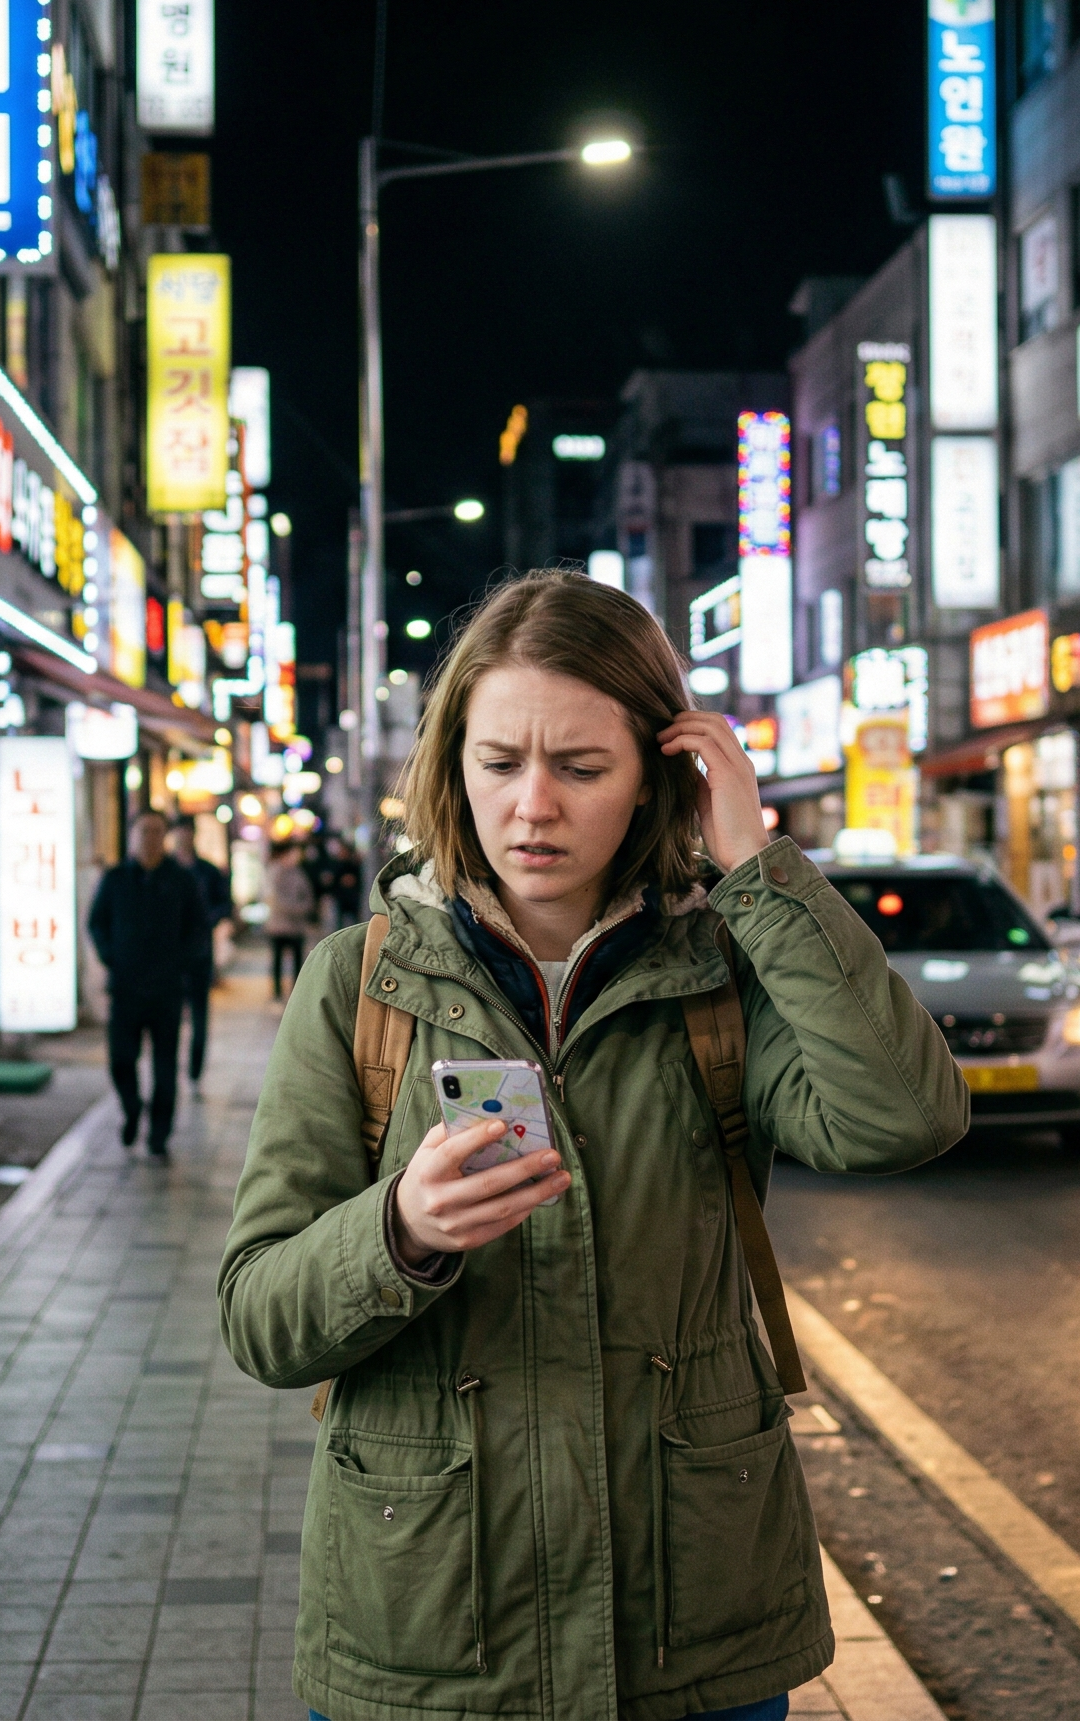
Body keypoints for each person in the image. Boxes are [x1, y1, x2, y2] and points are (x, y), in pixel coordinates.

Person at [219, 570, 969, 1721]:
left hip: (690, 1631)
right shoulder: (357, 982)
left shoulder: (722, 969)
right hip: (429, 1631)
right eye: (499, 762)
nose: (533, 807)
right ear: (452, 766)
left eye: (581, 768)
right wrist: (400, 1232)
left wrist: (759, 870)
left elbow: (905, 1116)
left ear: (657, 776)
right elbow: (260, 1316)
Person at [87, 813, 205, 1158]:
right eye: (144, 831)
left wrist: (180, 963)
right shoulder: (116, 879)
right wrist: (112, 957)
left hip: (167, 989)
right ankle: (131, 1109)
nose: (150, 837)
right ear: (132, 835)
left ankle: (159, 1132)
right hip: (125, 987)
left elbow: (197, 929)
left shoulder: (181, 880)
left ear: (164, 836)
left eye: (157, 831)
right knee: (121, 1059)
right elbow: (96, 923)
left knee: (165, 1064)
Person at [167, 819, 234, 1085]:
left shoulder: (207, 871)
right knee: (168, 1017)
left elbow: (224, 904)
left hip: (198, 953)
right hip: (168, 958)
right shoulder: (166, 869)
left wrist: (205, 919)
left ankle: (195, 1064)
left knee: (198, 1014)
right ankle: (169, 1066)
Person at [263, 842, 317, 1000]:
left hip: (296, 926)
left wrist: (303, 908)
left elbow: (308, 895)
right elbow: (276, 900)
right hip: (278, 925)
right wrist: (298, 909)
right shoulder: (275, 872)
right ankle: (277, 990)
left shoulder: (299, 872)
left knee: (297, 960)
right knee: (277, 959)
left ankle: (297, 989)